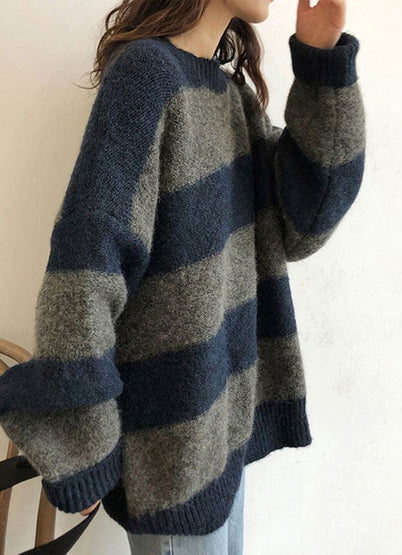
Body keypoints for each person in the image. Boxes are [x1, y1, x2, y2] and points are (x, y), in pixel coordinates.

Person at [0, 0, 365, 553]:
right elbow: (86, 266)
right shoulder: (146, 76)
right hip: (173, 460)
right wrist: (83, 444)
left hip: (220, 442)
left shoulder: (230, 96)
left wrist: (320, 62)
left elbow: (304, 222)